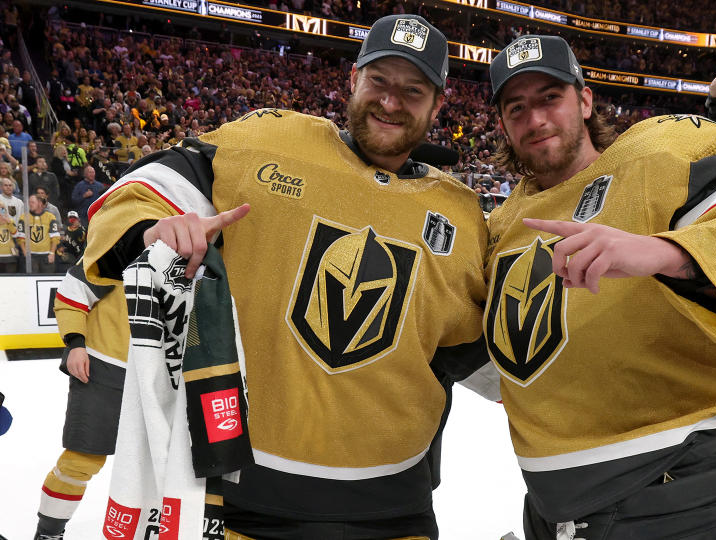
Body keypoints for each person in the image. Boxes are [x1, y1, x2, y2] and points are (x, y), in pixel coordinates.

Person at [81, 14, 488, 539]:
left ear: (437, 103)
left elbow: (469, 338)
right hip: (246, 497)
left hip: (395, 505)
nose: (391, 101)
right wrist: (156, 231)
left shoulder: (461, 212)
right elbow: (143, 189)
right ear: (353, 80)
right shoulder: (266, 140)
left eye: (412, 89)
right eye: (379, 81)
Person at [483, 33, 716, 539]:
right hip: (555, 509)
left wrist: (673, 254)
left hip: (693, 502)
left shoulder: (662, 150)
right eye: (516, 107)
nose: (536, 119)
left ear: (585, 99)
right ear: (502, 124)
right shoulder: (503, 223)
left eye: (550, 97)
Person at [33, 265, 126, 540]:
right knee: (81, 460)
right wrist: (75, 343)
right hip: (103, 366)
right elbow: (72, 291)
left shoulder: (191, 250)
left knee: (164, 463)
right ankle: (48, 533)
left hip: (160, 374)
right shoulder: (119, 241)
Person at [16, 194, 59, 273]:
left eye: (32, 202)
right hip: (31, 256)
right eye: (29, 202)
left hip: (46, 255)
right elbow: (20, 238)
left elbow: (55, 237)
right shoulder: (23, 217)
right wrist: (25, 253)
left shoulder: (50, 217)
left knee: (46, 280)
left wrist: (52, 253)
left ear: (39, 203)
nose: (30, 204)